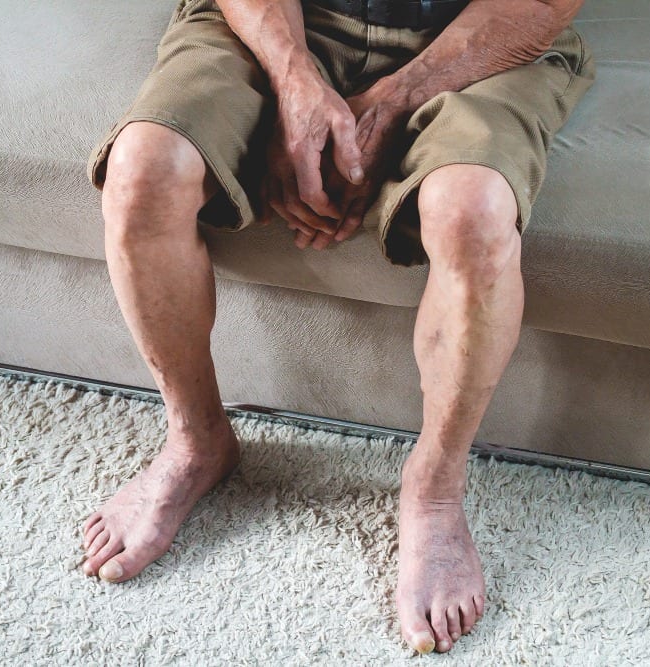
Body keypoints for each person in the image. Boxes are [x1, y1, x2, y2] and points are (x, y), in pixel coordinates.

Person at [81, 0, 593, 654]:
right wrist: (292, 79)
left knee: (475, 215)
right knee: (142, 171)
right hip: (284, 15)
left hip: (477, 37)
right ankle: (195, 439)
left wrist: (398, 97)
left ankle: (436, 488)